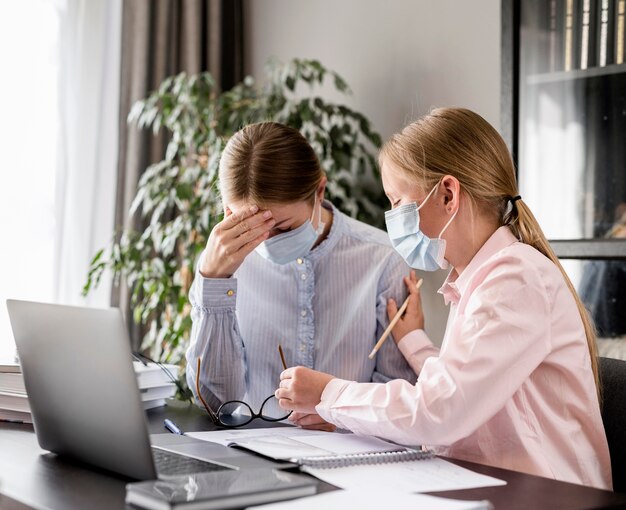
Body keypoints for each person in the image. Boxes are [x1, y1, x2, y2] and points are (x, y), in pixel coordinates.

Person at [275, 107, 612, 489]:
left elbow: (441, 410)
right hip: (500, 486)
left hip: (549, 496)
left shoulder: (515, 279)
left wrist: (329, 393)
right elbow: (469, 385)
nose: (392, 216)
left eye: (397, 201)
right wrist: (413, 342)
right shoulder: (483, 278)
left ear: (448, 194)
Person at [185, 121, 420, 430]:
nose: (264, 241)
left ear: (319, 192)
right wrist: (215, 283)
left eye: (282, 228)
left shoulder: (384, 260)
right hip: (254, 460)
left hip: (353, 462)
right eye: (249, 225)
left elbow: (399, 395)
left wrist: (341, 416)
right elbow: (215, 403)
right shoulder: (223, 264)